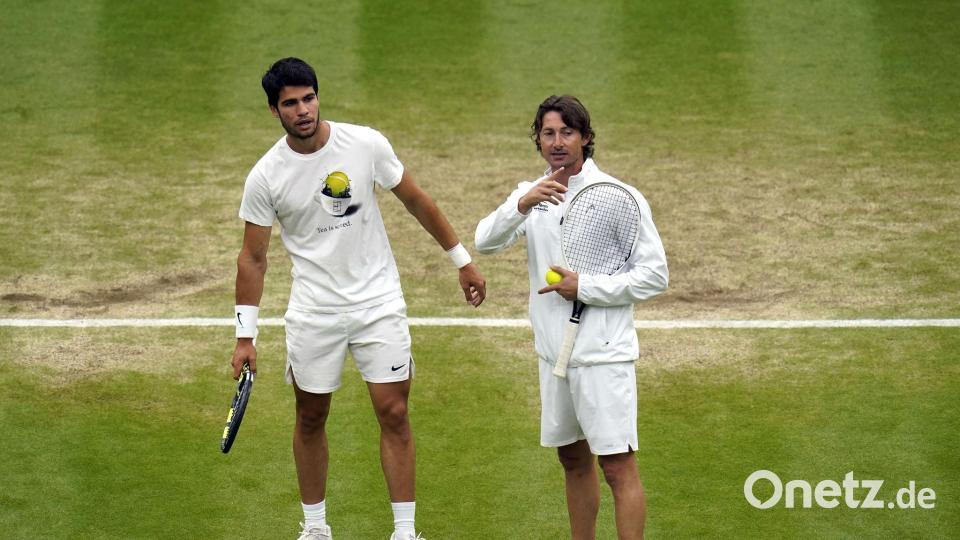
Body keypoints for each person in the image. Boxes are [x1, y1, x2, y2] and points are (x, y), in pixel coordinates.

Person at [231, 57, 486, 540]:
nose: (303, 110)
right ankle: (315, 528)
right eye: (290, 103)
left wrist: (462, 261)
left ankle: (405, 532)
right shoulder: (265, 176)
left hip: (378, 304)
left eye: (309, 98)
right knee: (310, 416)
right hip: (314, 312)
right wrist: (245, 336)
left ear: (318, 97)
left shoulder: (365, 143)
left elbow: (416, 199)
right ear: (274, 111)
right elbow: (253, 258)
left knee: (394, 412)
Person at [474, 95, 667, 539]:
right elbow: (484, 241)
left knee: (617, 467)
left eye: (567, 132)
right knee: (572, 460)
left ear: (586, 138)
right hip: (552, 353)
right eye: (548, 133)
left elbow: (655, 276)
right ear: (537, 139)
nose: (557, 142)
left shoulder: (619, 197)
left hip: (603, 355)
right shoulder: (532, 195)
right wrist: (521, 204)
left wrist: (587, 288)